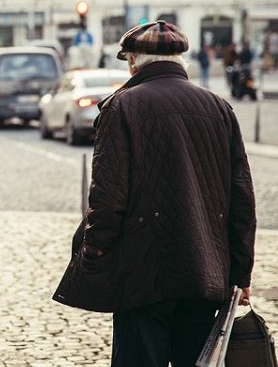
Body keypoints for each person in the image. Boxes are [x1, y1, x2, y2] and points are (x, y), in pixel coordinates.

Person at [53, 20, 256, 366]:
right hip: (204, 271)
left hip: (142, 274)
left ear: (133, 61)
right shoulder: (219, 108)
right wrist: (240, 275)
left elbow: (108, 197)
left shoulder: (122, 107)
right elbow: (242, 200)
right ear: (182, 62)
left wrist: (93, 253)